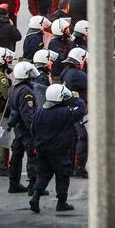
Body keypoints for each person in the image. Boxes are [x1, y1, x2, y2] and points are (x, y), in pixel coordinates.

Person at [29, 84, 86, 213]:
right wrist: (76, 99)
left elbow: (33, 130)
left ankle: (36, 196)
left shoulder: (39, 112)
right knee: (63, 175)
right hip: (59, 151)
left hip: (42, 150)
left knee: (43, 175)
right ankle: (61, 202)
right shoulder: (63, 113)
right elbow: (80, 110)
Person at [7, 61, 40, 195]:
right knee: (33, 156)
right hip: (27, 130)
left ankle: (13, 184)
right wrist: (35, 131)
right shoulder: (26, 91)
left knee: (16, 156)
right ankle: (33, 187)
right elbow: (28, 115)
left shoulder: (14, 88)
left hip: (18, 129)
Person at [60, 48, 88, 178]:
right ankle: (79, 167)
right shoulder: (78, 74)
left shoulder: (65, 72)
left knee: (72, 138)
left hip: (67, 109)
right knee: (83, 137)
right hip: (78, 110)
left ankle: (70, 165)